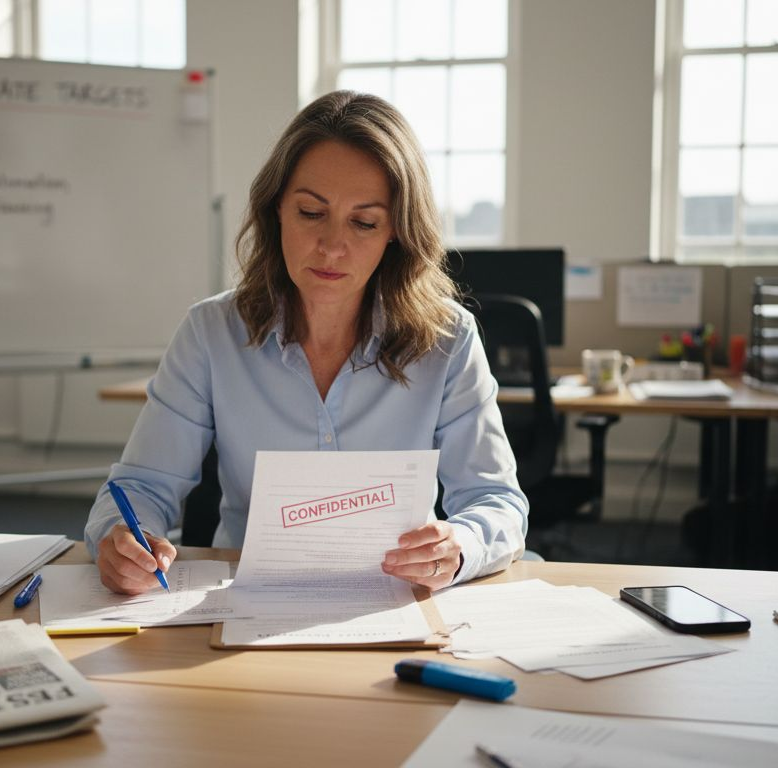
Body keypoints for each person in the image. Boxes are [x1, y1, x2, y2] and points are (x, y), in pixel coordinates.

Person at [85, 90, 527, 595]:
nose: (333, 246)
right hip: (247, 602)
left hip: (394, 604)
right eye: (311, 213)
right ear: (277, 211)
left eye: (364, 222)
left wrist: (459, 546)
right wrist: (123, 539)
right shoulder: (211, 333)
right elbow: (140, 487)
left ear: (396, 233)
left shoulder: (446, 338)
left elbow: (497, 501)